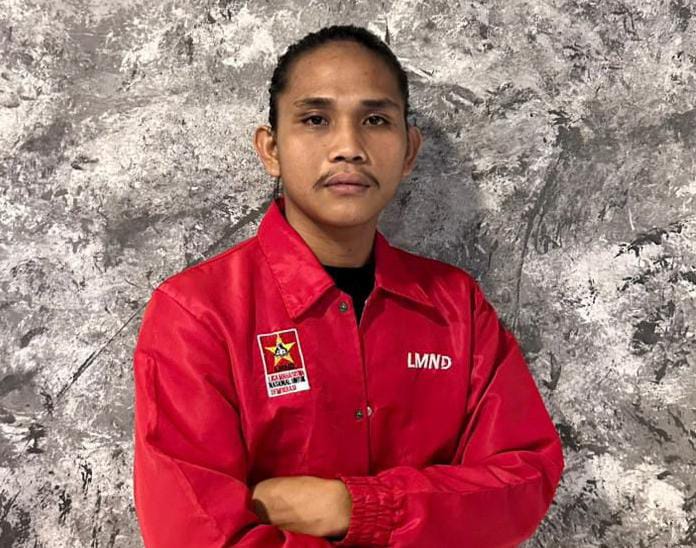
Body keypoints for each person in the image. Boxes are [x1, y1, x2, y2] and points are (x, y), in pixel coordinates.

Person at [132, 24, 564, 547]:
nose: (348, 147)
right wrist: (437, 511)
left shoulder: (455, 305)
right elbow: (194, 534)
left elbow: (523, 480)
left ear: (409, 150)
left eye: (375, 120)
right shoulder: (198, 313)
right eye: (316, 119)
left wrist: (356, 507)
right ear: (270, 148)